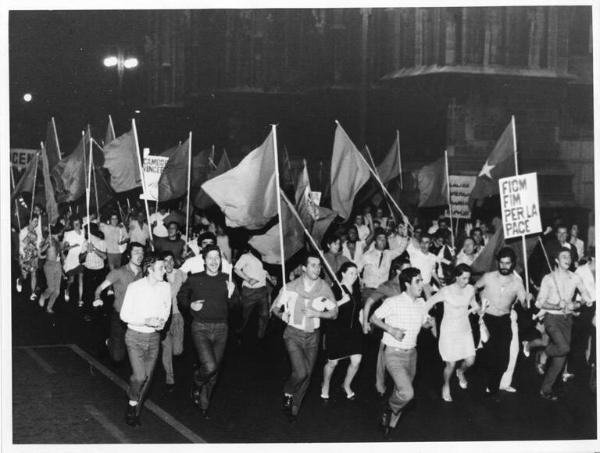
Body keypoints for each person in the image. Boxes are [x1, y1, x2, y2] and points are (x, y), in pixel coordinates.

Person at [270, 253, 339, 420]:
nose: (317, 268)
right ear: (304, 268)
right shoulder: (291, 287)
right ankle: (288, 393)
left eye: (319, 265)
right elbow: (274, 308)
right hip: (293, 333)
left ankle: (294, 406)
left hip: (313, 336)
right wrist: (282, 316)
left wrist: (317, 313)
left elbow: (334, 313)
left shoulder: (324, 288)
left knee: (307, 374)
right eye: (313, 265)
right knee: (300, 372)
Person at [370, 267, 431, 438]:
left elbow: (423, 322)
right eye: (417, 281)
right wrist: (391, 329)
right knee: (407, 393)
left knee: (400, 390)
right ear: (407, 284)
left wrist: (428, 323)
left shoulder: (421, 303)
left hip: (412, 354)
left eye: (421, 280)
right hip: (393, 353)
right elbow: (373, 318)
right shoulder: (393, 302)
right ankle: (389, 407)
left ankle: (389, 423)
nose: (422, 284)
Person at [177, 244, 237, 418]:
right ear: (204, 260)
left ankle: (204, 403)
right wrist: (190, 305)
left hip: (221, 329)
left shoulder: (228, 279)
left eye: (217, 258)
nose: (213, 261)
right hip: (200, 327)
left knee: (214, 372)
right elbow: (181, 296)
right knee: (209, 366)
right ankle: (196, 382)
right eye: (210, 258)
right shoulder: (195, 278)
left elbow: (236, 307)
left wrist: (232, 294)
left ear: (221, 260)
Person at [535, 247, 593, 400]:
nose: (567, 259)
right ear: (556, 260)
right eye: (563, 256)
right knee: (564, 347)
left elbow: (586, 296)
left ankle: (545, 389)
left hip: (567, 320)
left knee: (560, 361)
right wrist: (556, 306)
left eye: (569, 256)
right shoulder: (548, 278)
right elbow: (539, 303)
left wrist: (578, 304)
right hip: (551, 318)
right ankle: (545, 353)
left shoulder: (574, 277)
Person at [120, 253, 171, 426]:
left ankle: (134, 411)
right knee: (140, 377)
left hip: (154, 339)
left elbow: (166, 310)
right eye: (161, 268)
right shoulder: (135, 287)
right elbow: (124, 315)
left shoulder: (166, 287)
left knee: (147, 379)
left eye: (164, 267)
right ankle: (132, 399)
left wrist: (161, 322)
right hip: (134, 337)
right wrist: (146, 321)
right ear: (149, 269)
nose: (165, 271)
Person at [474, 247, 530, 397]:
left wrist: (529, 300)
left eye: (508, 263)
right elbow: (473, 288)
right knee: (490, 354)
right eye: (502, 263)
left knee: (504, 357)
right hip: (486, 318)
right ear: (498, 262)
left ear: (513, 264)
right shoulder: (488, 276)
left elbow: (525, 306)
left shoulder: (518, 283)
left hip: (504, 320)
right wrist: (476, 305)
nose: (504, 266)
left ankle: (493, 385)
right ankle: (488, 385)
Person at [425, 264, 479, 402]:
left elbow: (474, 304)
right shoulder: (446, 291)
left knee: (470, 361)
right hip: (449, 331)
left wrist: (479, 308)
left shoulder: (470, 289)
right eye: (463, 278)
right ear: (456, 277)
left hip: (464, 329)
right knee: (451, 364)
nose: (466, 281)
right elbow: (428, 303)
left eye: (468, 278)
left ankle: (461, 372)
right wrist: (426, 319)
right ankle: (446, 384)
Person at [362, 259, 408, 397]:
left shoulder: (409, 284)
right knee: (383, 356)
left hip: (406, 326)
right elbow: (369, 303)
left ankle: (399, 385)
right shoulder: (387, 286)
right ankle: (380, 384)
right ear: (398, 271)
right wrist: (365, 322)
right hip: (390, 327)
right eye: (406, 269)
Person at [94, 242, 145, 364]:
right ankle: (111, 341)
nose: (140, 255)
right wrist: (97, 297)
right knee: (118, 357)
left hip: (137, 317)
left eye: (142, 252)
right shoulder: (118, 272)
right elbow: (99, 288)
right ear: (128, 255)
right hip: (120, 316)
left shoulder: (145, 273)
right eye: (136, 252)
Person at [321, 262, 364, 401]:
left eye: (356, 273)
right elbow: (325, 309)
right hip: (337, 330)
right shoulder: (335, 288)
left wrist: (364, 323)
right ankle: (325, 385)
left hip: (354, 330)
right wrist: (340, 302)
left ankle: (346, 385)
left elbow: (359, 308)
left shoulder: (356, 289)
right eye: (351, 273)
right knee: (333, 363)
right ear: (343, 273)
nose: (354, 276)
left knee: (356, 360)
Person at [234, 246, 274, 341]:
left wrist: (270, 278)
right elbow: (236, 269)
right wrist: (248, 279)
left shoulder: (265, 257)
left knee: (264, 315)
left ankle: (261, 337)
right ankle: (239, 333)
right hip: (249, 291)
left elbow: (265, 271)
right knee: (244, 316)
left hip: (262, 290)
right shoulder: (246, 256)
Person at [160, 250, 187, 391]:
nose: (169, 263)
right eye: (165, 260)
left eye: (171, 260)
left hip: (177, 316)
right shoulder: (157, 276)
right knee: (166, 349)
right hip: (164, 318)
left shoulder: (180, 274)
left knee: (177, 351)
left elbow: (176, 292)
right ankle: (169, 379)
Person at [357, 228, 405, 303]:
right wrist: (361, 282)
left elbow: (400, 249)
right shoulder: (367, 255)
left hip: (382, 291)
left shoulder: (388, 254)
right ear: (375, 241)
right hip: (369, 290)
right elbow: (356, 269)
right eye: (379, 238)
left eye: (384, 239)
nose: (382, 241)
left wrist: (405, 237)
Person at [81, 223, 107, 319]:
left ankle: (100, 312)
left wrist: (94, 249)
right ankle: (88, 313)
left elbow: (104, 256)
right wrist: (86, 251)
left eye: (85, 231)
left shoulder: (102, 242)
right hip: (89, 271)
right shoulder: (85, 242)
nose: (84, 233)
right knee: (88, 293)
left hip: (99, 271)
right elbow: (80, 259)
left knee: (100, 292)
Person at [38, 225, 63, 314]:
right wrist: (47, 244)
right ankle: (43, 296)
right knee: (51, 288)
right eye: (60, 232)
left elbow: (59, 251)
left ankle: (49, 307)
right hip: (49, 266)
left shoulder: (57, 241)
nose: (61, 233)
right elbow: (41, 251)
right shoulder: (47, 241)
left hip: (57, 265)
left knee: (57, 291)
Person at [407, 233, 441, 298]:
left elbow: (433, 272)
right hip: (416, 285)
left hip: (427, 286)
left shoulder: (433, 257)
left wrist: (440, 284)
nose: (423, 245)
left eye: (426, 242)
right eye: (422, 242)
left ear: (431, 244)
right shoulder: (413, 255)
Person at [62, 217, 86, 305]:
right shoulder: (69, 234)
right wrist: (73, 246)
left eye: (78, 223)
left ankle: (80, 299)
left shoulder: (84, 232)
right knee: (71, 280)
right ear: (72, 225)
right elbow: (64, 248)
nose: (77, 225)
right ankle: (67, 289)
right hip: (71, 260)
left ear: (80, 223)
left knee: (81, 278)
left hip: (80, 258)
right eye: (75, 224)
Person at [18, 215, 40, 300]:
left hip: (33, 256)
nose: (36, 223)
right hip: (25, 255)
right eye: (35, 221)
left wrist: (37, 256)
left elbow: (36, 246)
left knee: (34, 274)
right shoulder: (23, 231)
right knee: (24, 276)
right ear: (30, 220)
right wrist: (28, 235)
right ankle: (19, 280)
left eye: (37, 221)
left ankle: (33, 292)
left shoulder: (36, 233)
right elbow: (22, 245)